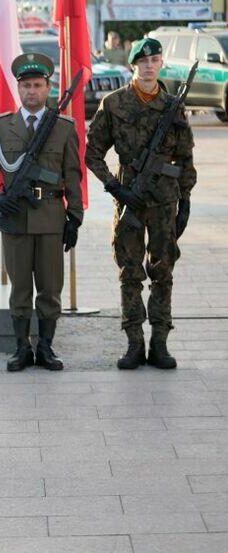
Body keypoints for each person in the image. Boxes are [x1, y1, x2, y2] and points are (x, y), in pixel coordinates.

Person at [86, 37, 196, 370]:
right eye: (143, 61)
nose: (149, 66)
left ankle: (159, 343)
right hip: (129, 198)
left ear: (161, 64)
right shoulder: (114, 103)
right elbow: (92, 154)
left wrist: (186, 199)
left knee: (163, 271)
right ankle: (134, 343)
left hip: (164, 201)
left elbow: (185, 157)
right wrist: (115, 188)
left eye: (155, 60)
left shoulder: (173, 106)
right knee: (130, 272)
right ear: (133, 65)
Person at [0, 54, 83, 372]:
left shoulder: (63, 127)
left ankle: (45, 347)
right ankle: (22, 348)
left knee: (50, 288)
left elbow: (73, 174)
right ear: (18, 89)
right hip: (15, 218)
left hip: (50, 218)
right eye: (26, 86)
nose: (32, 91)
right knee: (20, 288)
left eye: (37, 85)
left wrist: (75, 216)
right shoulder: (0, 127)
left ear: (48, 88)